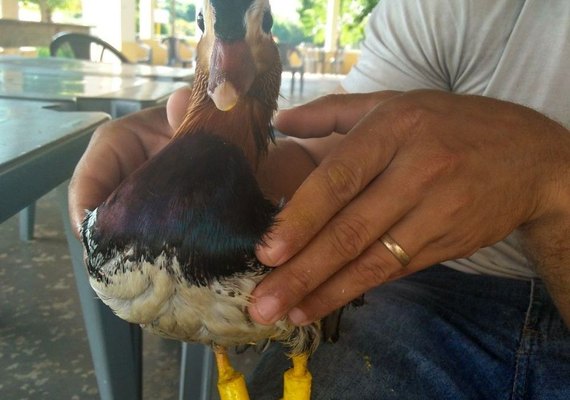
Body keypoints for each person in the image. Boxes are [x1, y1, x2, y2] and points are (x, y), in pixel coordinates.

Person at [69, 0, 570, 398]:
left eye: (258, 25)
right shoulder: (452, 7)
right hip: (417, 278)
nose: (228, 56)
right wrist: (248, 161)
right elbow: (337, 161)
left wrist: (552, 181)